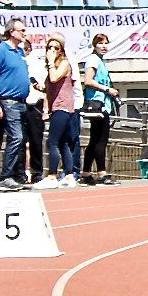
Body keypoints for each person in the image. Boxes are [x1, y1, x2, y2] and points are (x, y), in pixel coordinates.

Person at [0, 19, 34, 191]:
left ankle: (18, 175)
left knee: (22, 140)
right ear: (12, 32)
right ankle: (5, 176)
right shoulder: (0, 50)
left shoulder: (19, 51)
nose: (25, 33)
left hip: (21, 102)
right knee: (16, 137)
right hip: (8, 101)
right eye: (22, 30)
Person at [40, 37, 80, 188]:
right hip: (55, 107)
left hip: (63, 107)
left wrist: (50, 62)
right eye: (50, 48)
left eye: (56, 48)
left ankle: (52, 175)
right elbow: (48, 89)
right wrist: (45, 109)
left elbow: (55, 77)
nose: (52, 51)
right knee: (62, 143)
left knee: (53, 141)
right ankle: (69, 175)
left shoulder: (64, 63)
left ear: (61, 51)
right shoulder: (52, 66)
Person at [79, 32, 118, 185]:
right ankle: (102, 172)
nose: (104, 46)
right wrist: (107, 89)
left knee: (95, 139)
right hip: (97, 104)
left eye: (106, 43)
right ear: (94, 45)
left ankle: (86, 171)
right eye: (100, 43)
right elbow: (88, 81)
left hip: (104, 104)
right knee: (101, 139)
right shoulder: (93, 60)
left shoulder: (101, 61)